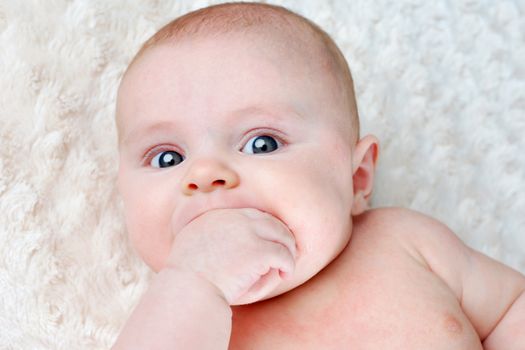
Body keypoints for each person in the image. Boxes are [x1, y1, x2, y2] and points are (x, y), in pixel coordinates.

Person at [112, 2, 525, 349]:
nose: (205, 174)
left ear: (357, 177)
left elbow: (512, 306)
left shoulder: (404, 241)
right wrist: (192, 281)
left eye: (262, 143)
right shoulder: (178, 321)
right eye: (167, 157)